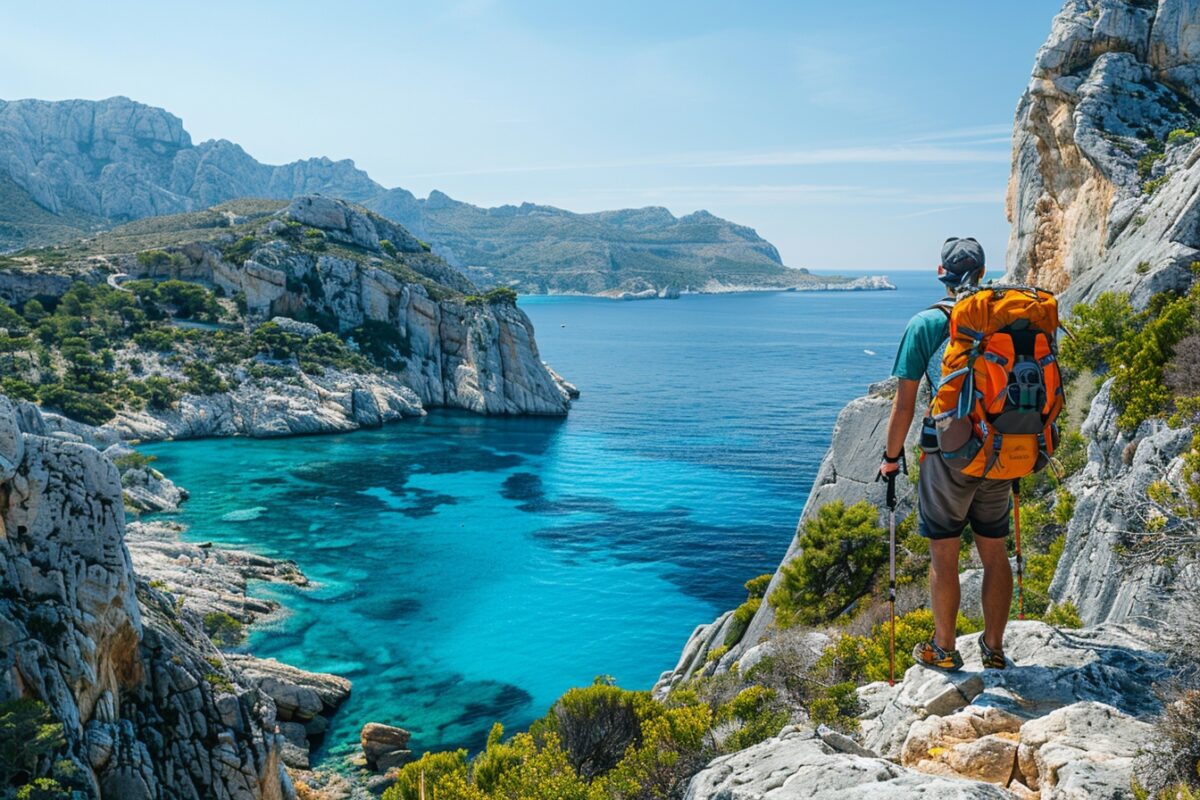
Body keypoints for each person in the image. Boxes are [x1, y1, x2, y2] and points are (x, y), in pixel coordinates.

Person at [878, 237, 1012, 672]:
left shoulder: (926, 324)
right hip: (1000, 448)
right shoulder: (1006, 317)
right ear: (985, 271)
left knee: (945, 553)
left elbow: (904, 405)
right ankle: (993, 649)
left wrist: (891, 458)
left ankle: (944, 647)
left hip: (947, 454)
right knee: (994, 552)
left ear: (942, 274)